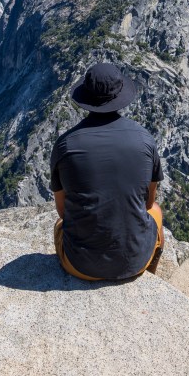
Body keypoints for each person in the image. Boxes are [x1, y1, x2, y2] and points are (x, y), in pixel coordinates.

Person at [50, 61, 164, 281]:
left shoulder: (65, 144)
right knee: (156, 211)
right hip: (135, 263)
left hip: (80, 266)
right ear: (120, 96)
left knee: (59, 226)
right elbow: (148, 204)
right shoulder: (145, 139)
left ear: (84, 97)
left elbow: (63, 212)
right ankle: (150, 276)